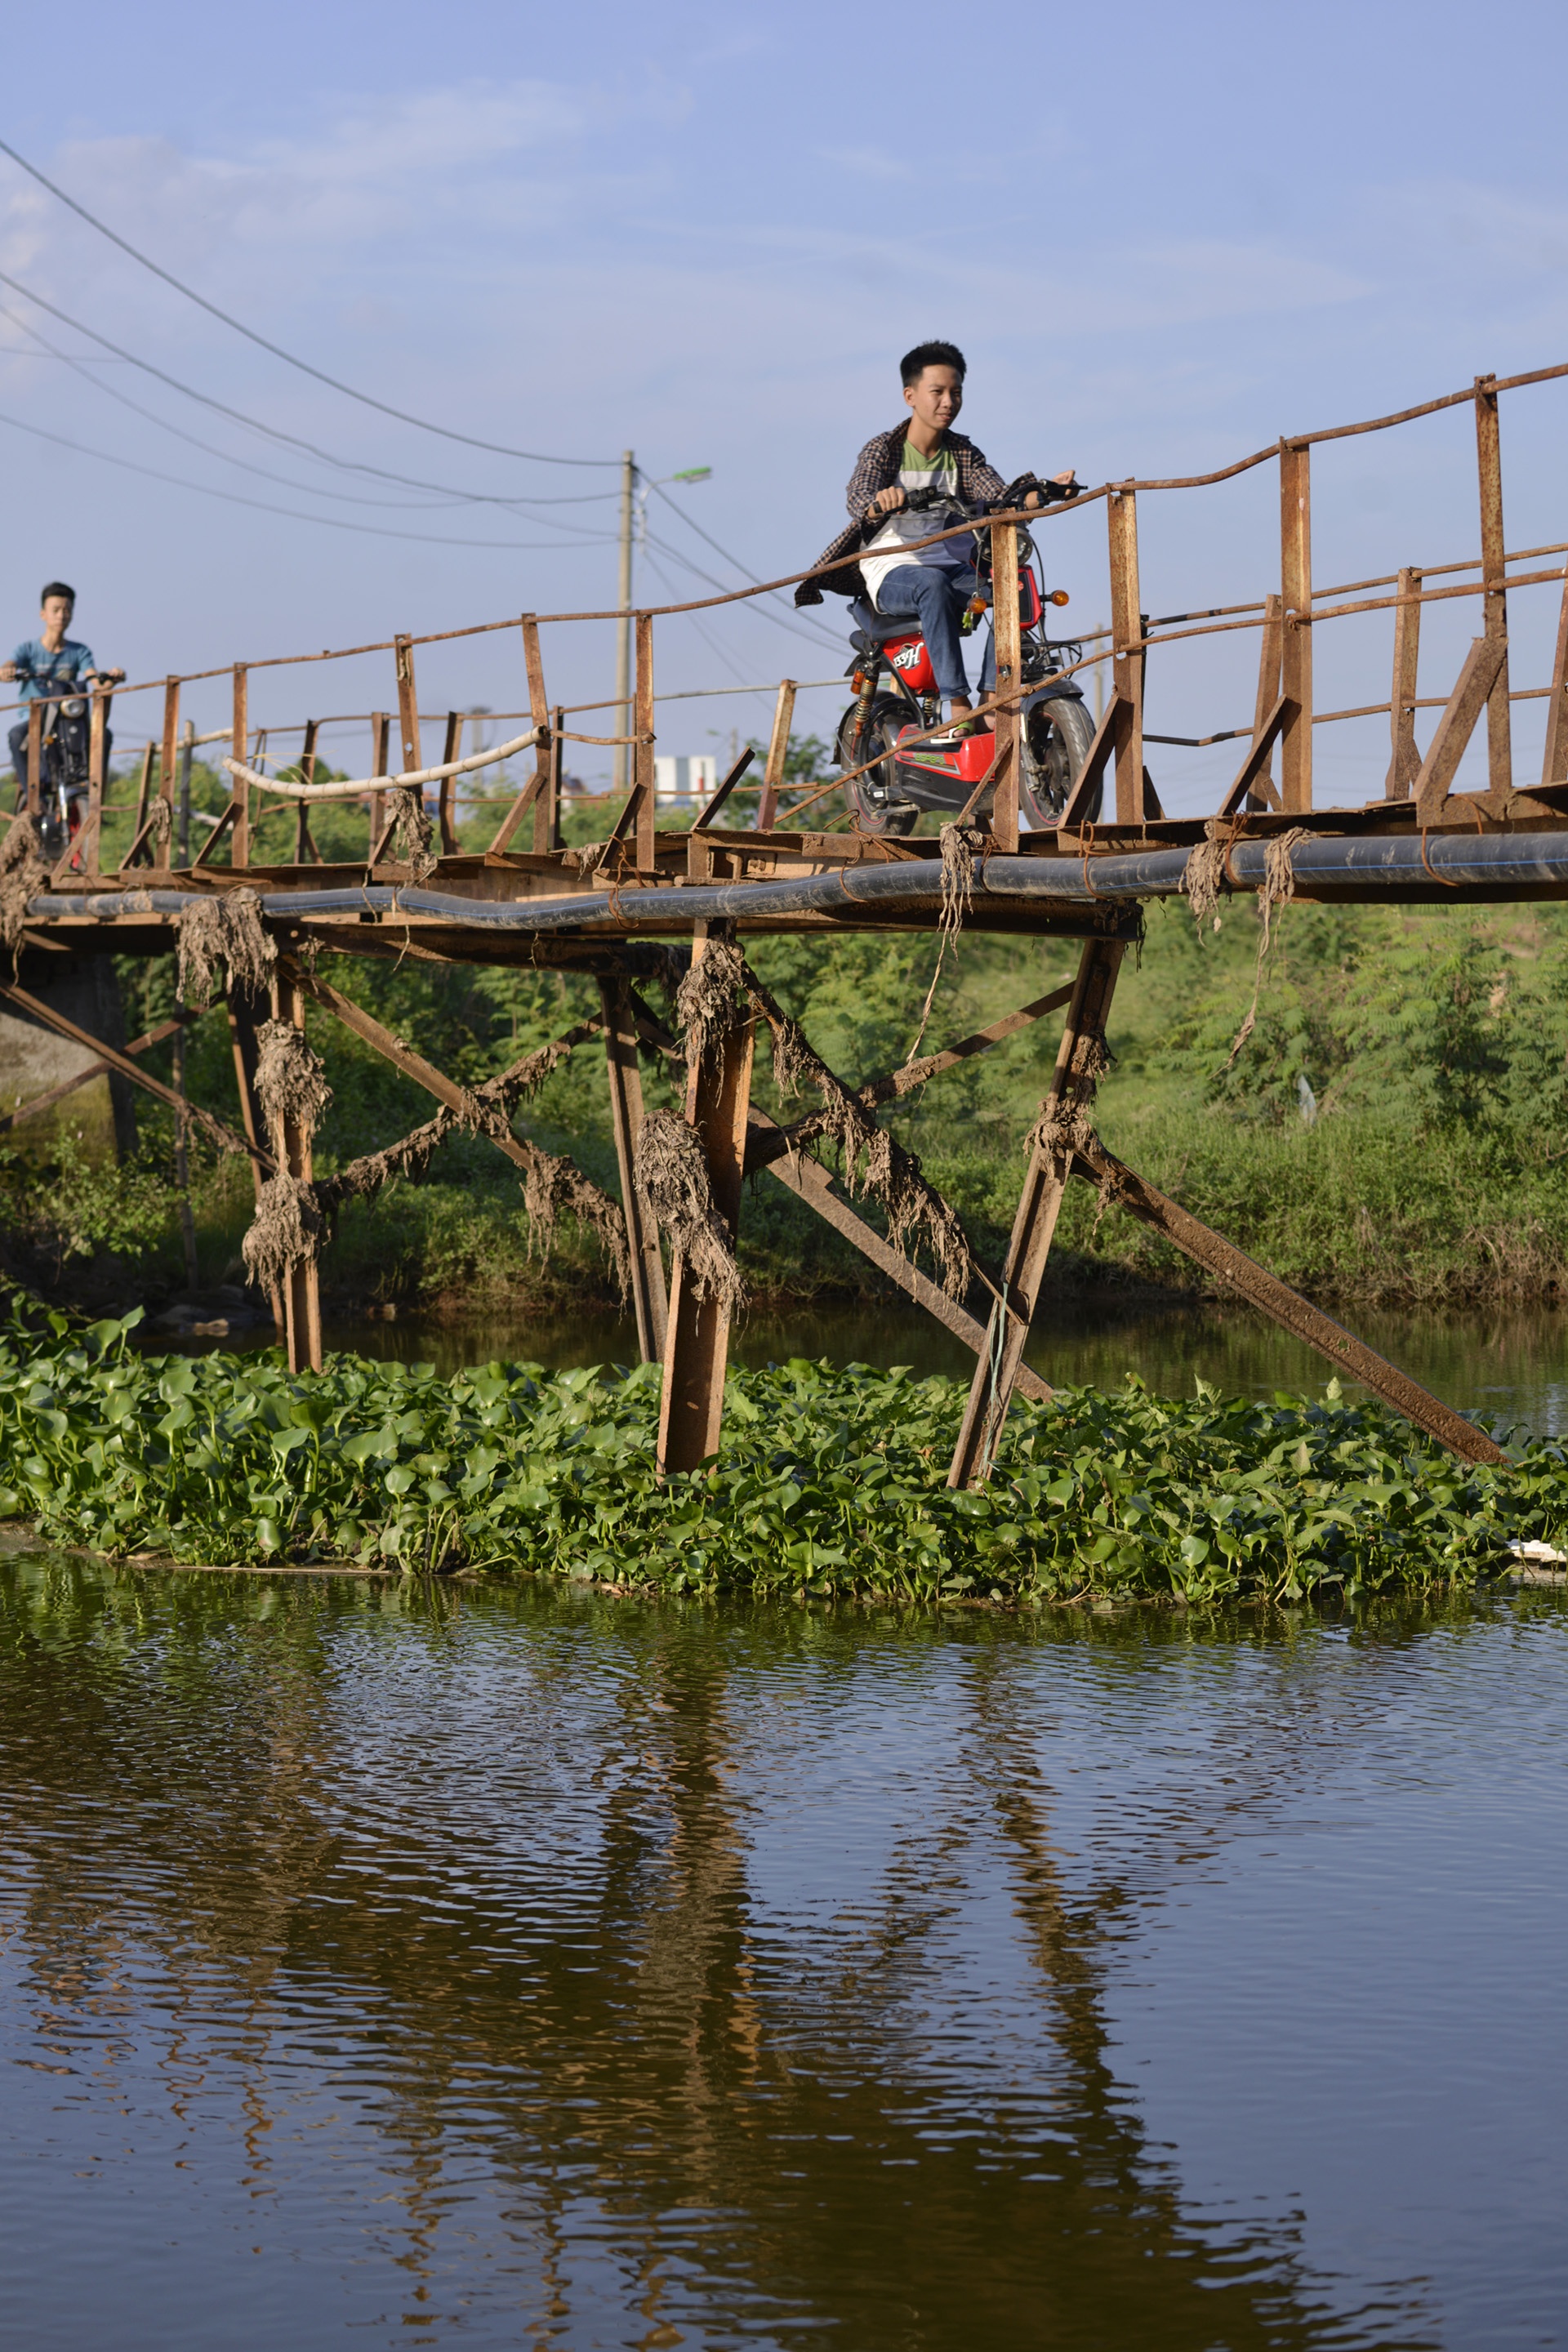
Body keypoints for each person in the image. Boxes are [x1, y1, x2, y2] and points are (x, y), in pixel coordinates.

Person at [795, 340, 1076, 737]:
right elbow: (858, 496)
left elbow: (1000, 499)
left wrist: (1044, 493)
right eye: (937, 392)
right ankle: (956, 703)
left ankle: (991, 699)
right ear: (910, 396)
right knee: (931, 583)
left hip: (948, 565)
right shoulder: (884, 449)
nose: (948, 402)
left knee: (1012, 582)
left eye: (956, 392)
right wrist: (878, 504)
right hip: (891, 570)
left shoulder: (962, 453)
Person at [2, 581, 124, 804]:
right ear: (43, 614)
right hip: (36, 718)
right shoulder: (27, 650)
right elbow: (9, 665)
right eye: (56, 610)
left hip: (68, 718)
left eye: (66, 610)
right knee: (16, 736)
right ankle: (34, 799)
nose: (61, 615)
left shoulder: (79, 651)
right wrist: (8, 670)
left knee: (104, 735)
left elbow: (96, 682)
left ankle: (96, 793)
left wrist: (112, 678)